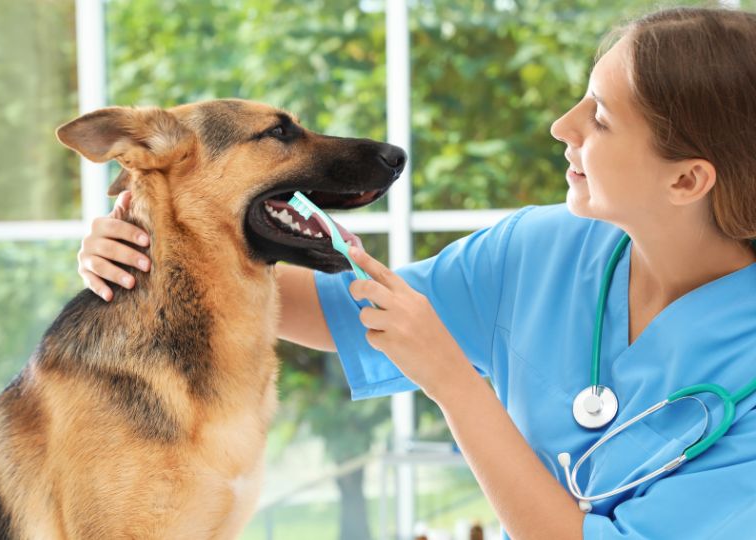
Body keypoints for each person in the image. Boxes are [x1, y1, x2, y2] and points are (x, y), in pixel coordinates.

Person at [76, 7, 756, 538]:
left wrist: (454, 385)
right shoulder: (542, 252)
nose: (561, 125)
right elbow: (336, 309)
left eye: (600, 117)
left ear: (688, 178)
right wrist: (154, 249)